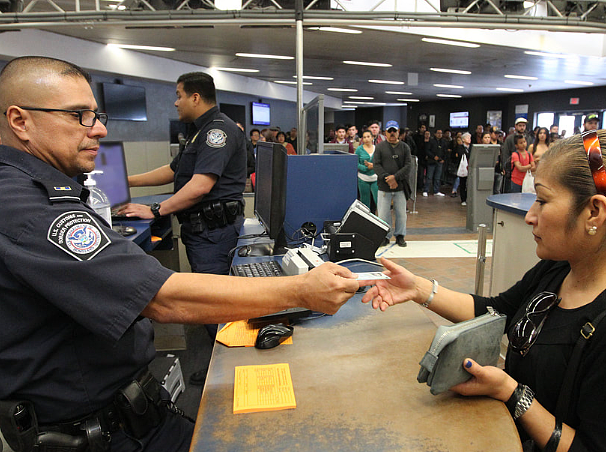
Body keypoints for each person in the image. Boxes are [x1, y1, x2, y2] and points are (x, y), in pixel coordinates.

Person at [0, 56, 360, 452]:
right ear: (21, 121)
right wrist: (301, 291)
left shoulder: (39, 189)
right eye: (78, 115)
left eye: (95, 114)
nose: (99, 127)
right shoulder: (28, 206)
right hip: (99, 431)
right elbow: (164, 297)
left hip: (123, 412)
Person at [362, 128, 606, 452]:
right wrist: (419, 288)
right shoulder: (559, 269)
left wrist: (512, 393)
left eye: (542, 200)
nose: (530, 215)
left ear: (594, 211)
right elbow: (498, 310)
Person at [118, 72, 249, 371]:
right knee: (210, 301)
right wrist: (125, 181)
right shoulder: (197, 132)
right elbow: (173, 171)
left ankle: (230, 371)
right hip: (202, 231)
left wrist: (154, 209)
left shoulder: (218, 131)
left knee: (213, 303)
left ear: (195, 97)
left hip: (214, 233)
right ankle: (225, 364)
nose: (175, 103)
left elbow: (200, 185)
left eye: (178, 95)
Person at [373, 120, 411, 248]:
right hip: (384, 187)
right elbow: (376, 165)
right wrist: (387, 178)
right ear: (385, 133)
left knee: (401, 213)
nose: (392, 133)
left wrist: (395, 177)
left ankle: (400, 236)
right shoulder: (380, 147)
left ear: (399, 132)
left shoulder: (405, 147)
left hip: (400, 186)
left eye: (395, 131)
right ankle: (385, 236)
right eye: (390, 131)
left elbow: (408, 166)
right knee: (383, 214)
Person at [355, 130, 378, 211]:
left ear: (372, 137)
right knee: (365, 202)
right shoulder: (359, 149)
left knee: (378, 200)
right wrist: (365, 168)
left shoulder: (377, 149)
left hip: (375, 178)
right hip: (363, 178)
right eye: (364, 137)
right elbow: (356, 163)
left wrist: (373, 166)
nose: (366, 139)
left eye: (368, 137)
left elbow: (381, 162)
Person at [424, 129, 446, 197]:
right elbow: (427, 150)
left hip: (439, 162)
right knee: (429, 177)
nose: (439, 134)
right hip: (431, 161)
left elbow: (445, 151)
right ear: (435, 134)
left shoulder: (443, 142)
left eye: (441, 133)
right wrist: (433, 157)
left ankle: (436, 191)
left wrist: (443, 159)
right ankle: (426, 190)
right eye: (438, 133)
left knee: (437, 177)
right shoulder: (431, 141)